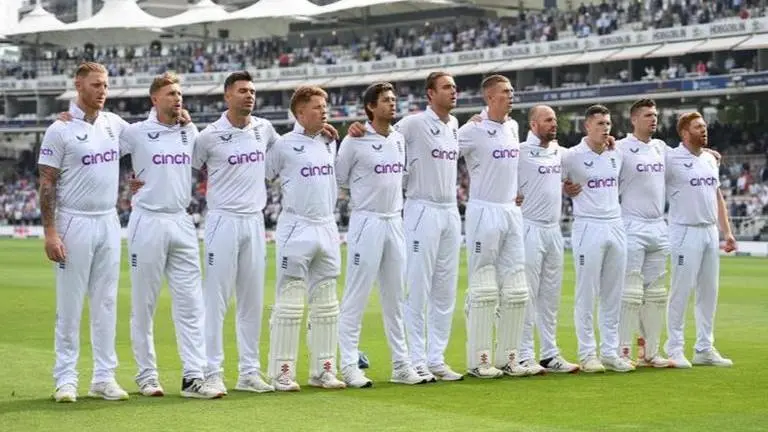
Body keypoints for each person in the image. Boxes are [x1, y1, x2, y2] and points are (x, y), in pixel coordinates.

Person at [349, 71, 463, 382]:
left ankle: (435, 358)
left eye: (454, 87)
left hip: (450, 210)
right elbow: (381, 134)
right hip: (420, 208)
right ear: (430, 94)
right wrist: (359, 127)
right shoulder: (412, 124)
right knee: (417, 286)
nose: (453, 92)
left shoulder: (454, 125)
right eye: (446, 87)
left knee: (445, 289)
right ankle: (414, 359)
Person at [120, 72, 223, 399]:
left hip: (181, 221)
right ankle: (147, 375)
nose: (177, 99)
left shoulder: (189, 131)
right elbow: (99, 151)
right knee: (144, 303)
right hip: (147, 220)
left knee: (192, 303)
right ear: (154, 99)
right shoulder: (135, 132)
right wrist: (122, 185)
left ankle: (193, 377)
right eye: (170, 94)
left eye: (179, 94)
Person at [38, 62, 130, 403]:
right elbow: (46, 181)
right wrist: (50, 232)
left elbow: (150, 138)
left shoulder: (114, 124)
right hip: (73, 222)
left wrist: (181, 117)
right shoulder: (59, 130)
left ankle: (104, 377)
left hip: (108, 220)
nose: (102, 91)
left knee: (106, 302)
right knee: (70, 304)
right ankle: (65, 378)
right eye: (95, 85)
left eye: (105, 85)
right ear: (78, 86)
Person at [192, 71, 280, 394]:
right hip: (222, 221)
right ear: (227, 96)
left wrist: (320, 130)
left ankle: (249, 372)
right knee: (216, 300)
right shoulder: (209, 135)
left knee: (252, 300)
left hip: (255, 222)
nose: (249, 95)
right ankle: (211, 371)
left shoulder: (264, 129)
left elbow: (288, 152)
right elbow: (183, 163)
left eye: (252, 91)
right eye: (242, 90)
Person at [335, 82, 426, 388]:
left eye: (393, 99)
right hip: (367, 222)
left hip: (394, 222)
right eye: (386, 100)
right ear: (371, 107)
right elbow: (340, 178)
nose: (392, 103)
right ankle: (348, 365)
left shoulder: (399, 139)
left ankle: (401, 365)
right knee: (356, 296)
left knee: (395, 298)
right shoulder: (354, 140)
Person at [265, 85, 345, 391]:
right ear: (300, 113)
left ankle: (323, 370)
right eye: (316, 107)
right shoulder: (283, 145)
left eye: (325, 105)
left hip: (327, 226)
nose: (323, 111)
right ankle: (282, 373)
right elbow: (262, 175)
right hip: (296, 227)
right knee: (289, 304)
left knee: (326, 304)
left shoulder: (329, 141)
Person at [459, 75, 534, 379]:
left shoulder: (514, 127)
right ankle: (480, 360)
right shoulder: (472, 129)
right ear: (490, 97)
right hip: (483, 211)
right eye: (505, 92)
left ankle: (509, 358)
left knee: (516, 289)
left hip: (511, 211)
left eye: (512, 91)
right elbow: (434, 147)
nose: (511, 96)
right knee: (484, 287)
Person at [561, 105, 634, 373]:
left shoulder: (617, 153)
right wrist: (564, 186)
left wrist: (705, 152)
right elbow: (546, 176)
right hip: (588, 226)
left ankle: (610, 352)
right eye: (601, 123)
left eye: (608, 124)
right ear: (587, 126)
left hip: (615, 225)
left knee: (613, 294)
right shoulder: (571, 156)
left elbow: (653, 153)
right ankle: (587, 353)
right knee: (586, 292)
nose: (606, 128)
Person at [664, 112, 736, 368]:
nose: (704, 130)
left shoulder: (709, 159)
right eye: (697, 127)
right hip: (684, 230)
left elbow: (717, 197)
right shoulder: (670, 158)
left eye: (704, 126)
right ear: (684, 133)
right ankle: (674, 348)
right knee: (681, 291)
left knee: (709, 291)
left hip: (709, 232)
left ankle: (704, 347)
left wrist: (727, 232)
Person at [517, 105, 580, 374]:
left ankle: (550, 353)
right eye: (547, 120)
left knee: (550, 297)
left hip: (553, 231)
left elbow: (590, 152)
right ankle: (523, 354)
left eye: (554, 119)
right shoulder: (519, 152)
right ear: (533, 124)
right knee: (527, 295)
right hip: (528, 228)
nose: (553, 124)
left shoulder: (561, 153)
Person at [615, 99, 672, 368]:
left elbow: (685, 158)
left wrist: (706, 152)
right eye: (648, 115)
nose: (654, 119)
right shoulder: (621, 148)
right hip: (632, 226)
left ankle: (651, 352)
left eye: (656, 114)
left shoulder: (661, 148)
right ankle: (623, 350)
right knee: (630, 292)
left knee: (656, 294)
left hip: (658, 226)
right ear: (634, 119)